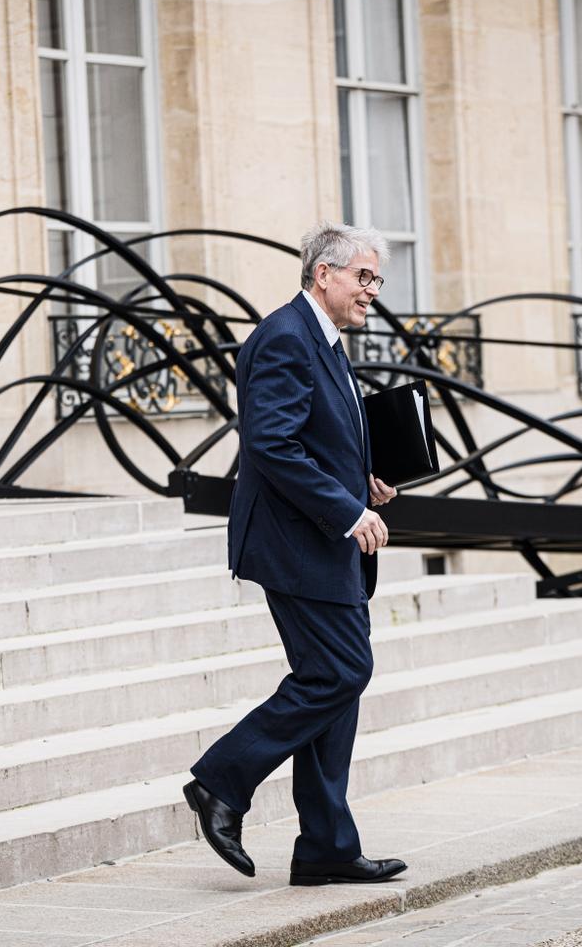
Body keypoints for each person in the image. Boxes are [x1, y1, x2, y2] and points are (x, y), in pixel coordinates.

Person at [181, 221, 407, 887]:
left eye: (376, 279)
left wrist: (362, 478)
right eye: (363, 277)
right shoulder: (283, 337)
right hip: (296, 544)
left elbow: (313, 436)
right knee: (340, 672)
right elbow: (273, 446)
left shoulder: (324, 340)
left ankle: (327, 846)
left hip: (320, 541)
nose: (372, 291)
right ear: (323, 274)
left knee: (337, 684)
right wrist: (347, 510)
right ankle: (221, 782)